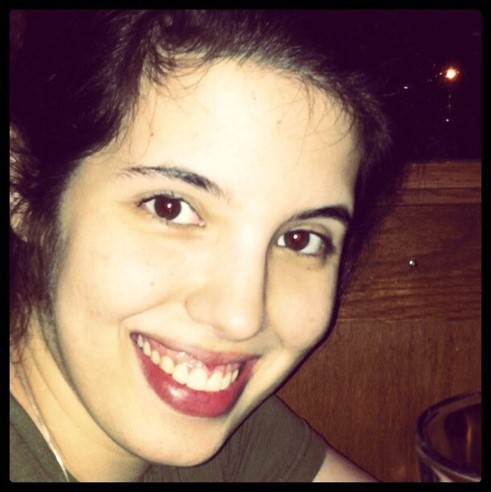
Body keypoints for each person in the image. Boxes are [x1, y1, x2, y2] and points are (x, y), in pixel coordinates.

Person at [10, 10, 406, 482]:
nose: (240, 318)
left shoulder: (228, 433)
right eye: (170, 208)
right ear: (20, 188)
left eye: (299, 239)